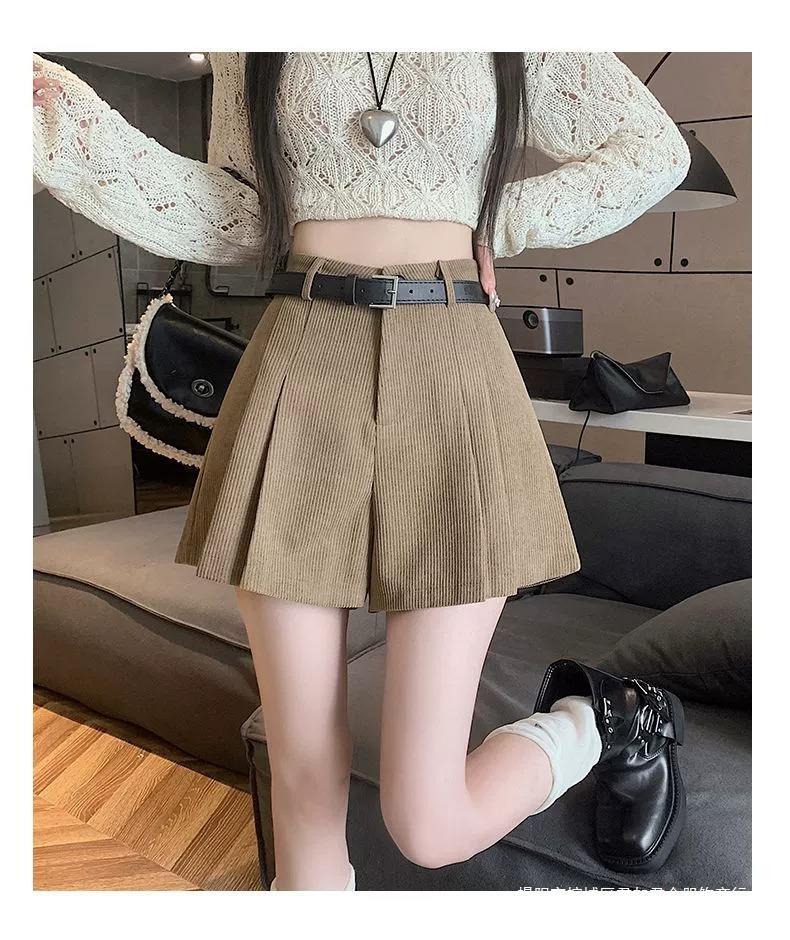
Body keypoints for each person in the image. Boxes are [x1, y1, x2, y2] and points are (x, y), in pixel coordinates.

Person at [33, 51, 690, 891]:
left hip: (452, 356)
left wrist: (494, 218)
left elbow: (650, 150)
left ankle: (601, 719)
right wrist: (59, 125)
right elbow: (240, 213)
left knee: (429, 824)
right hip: (303, 351)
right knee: (302, 782)